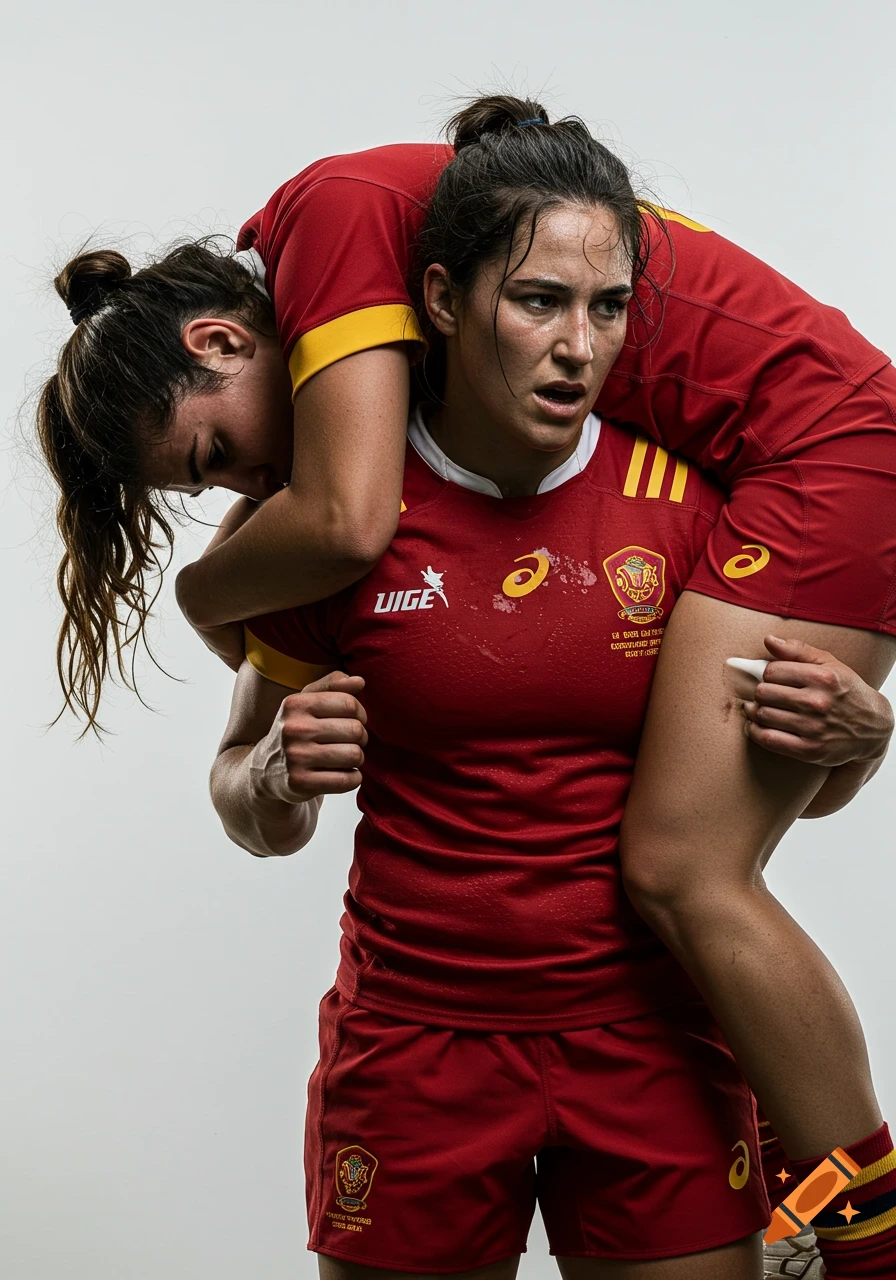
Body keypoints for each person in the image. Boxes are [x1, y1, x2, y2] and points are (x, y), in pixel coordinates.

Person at [36, 97, 896, 1277]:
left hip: (645, 1037)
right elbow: (248, 789)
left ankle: (862, 1230)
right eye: (538, 298)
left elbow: (783, 799)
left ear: (223, 343)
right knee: (687, 863)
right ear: (442, 296)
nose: (245, 483)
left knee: (685, 866)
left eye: (213, 456)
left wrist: (862, 740)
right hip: (416, 1045)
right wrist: (271, 767)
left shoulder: (678, 493)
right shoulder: (310, 533)